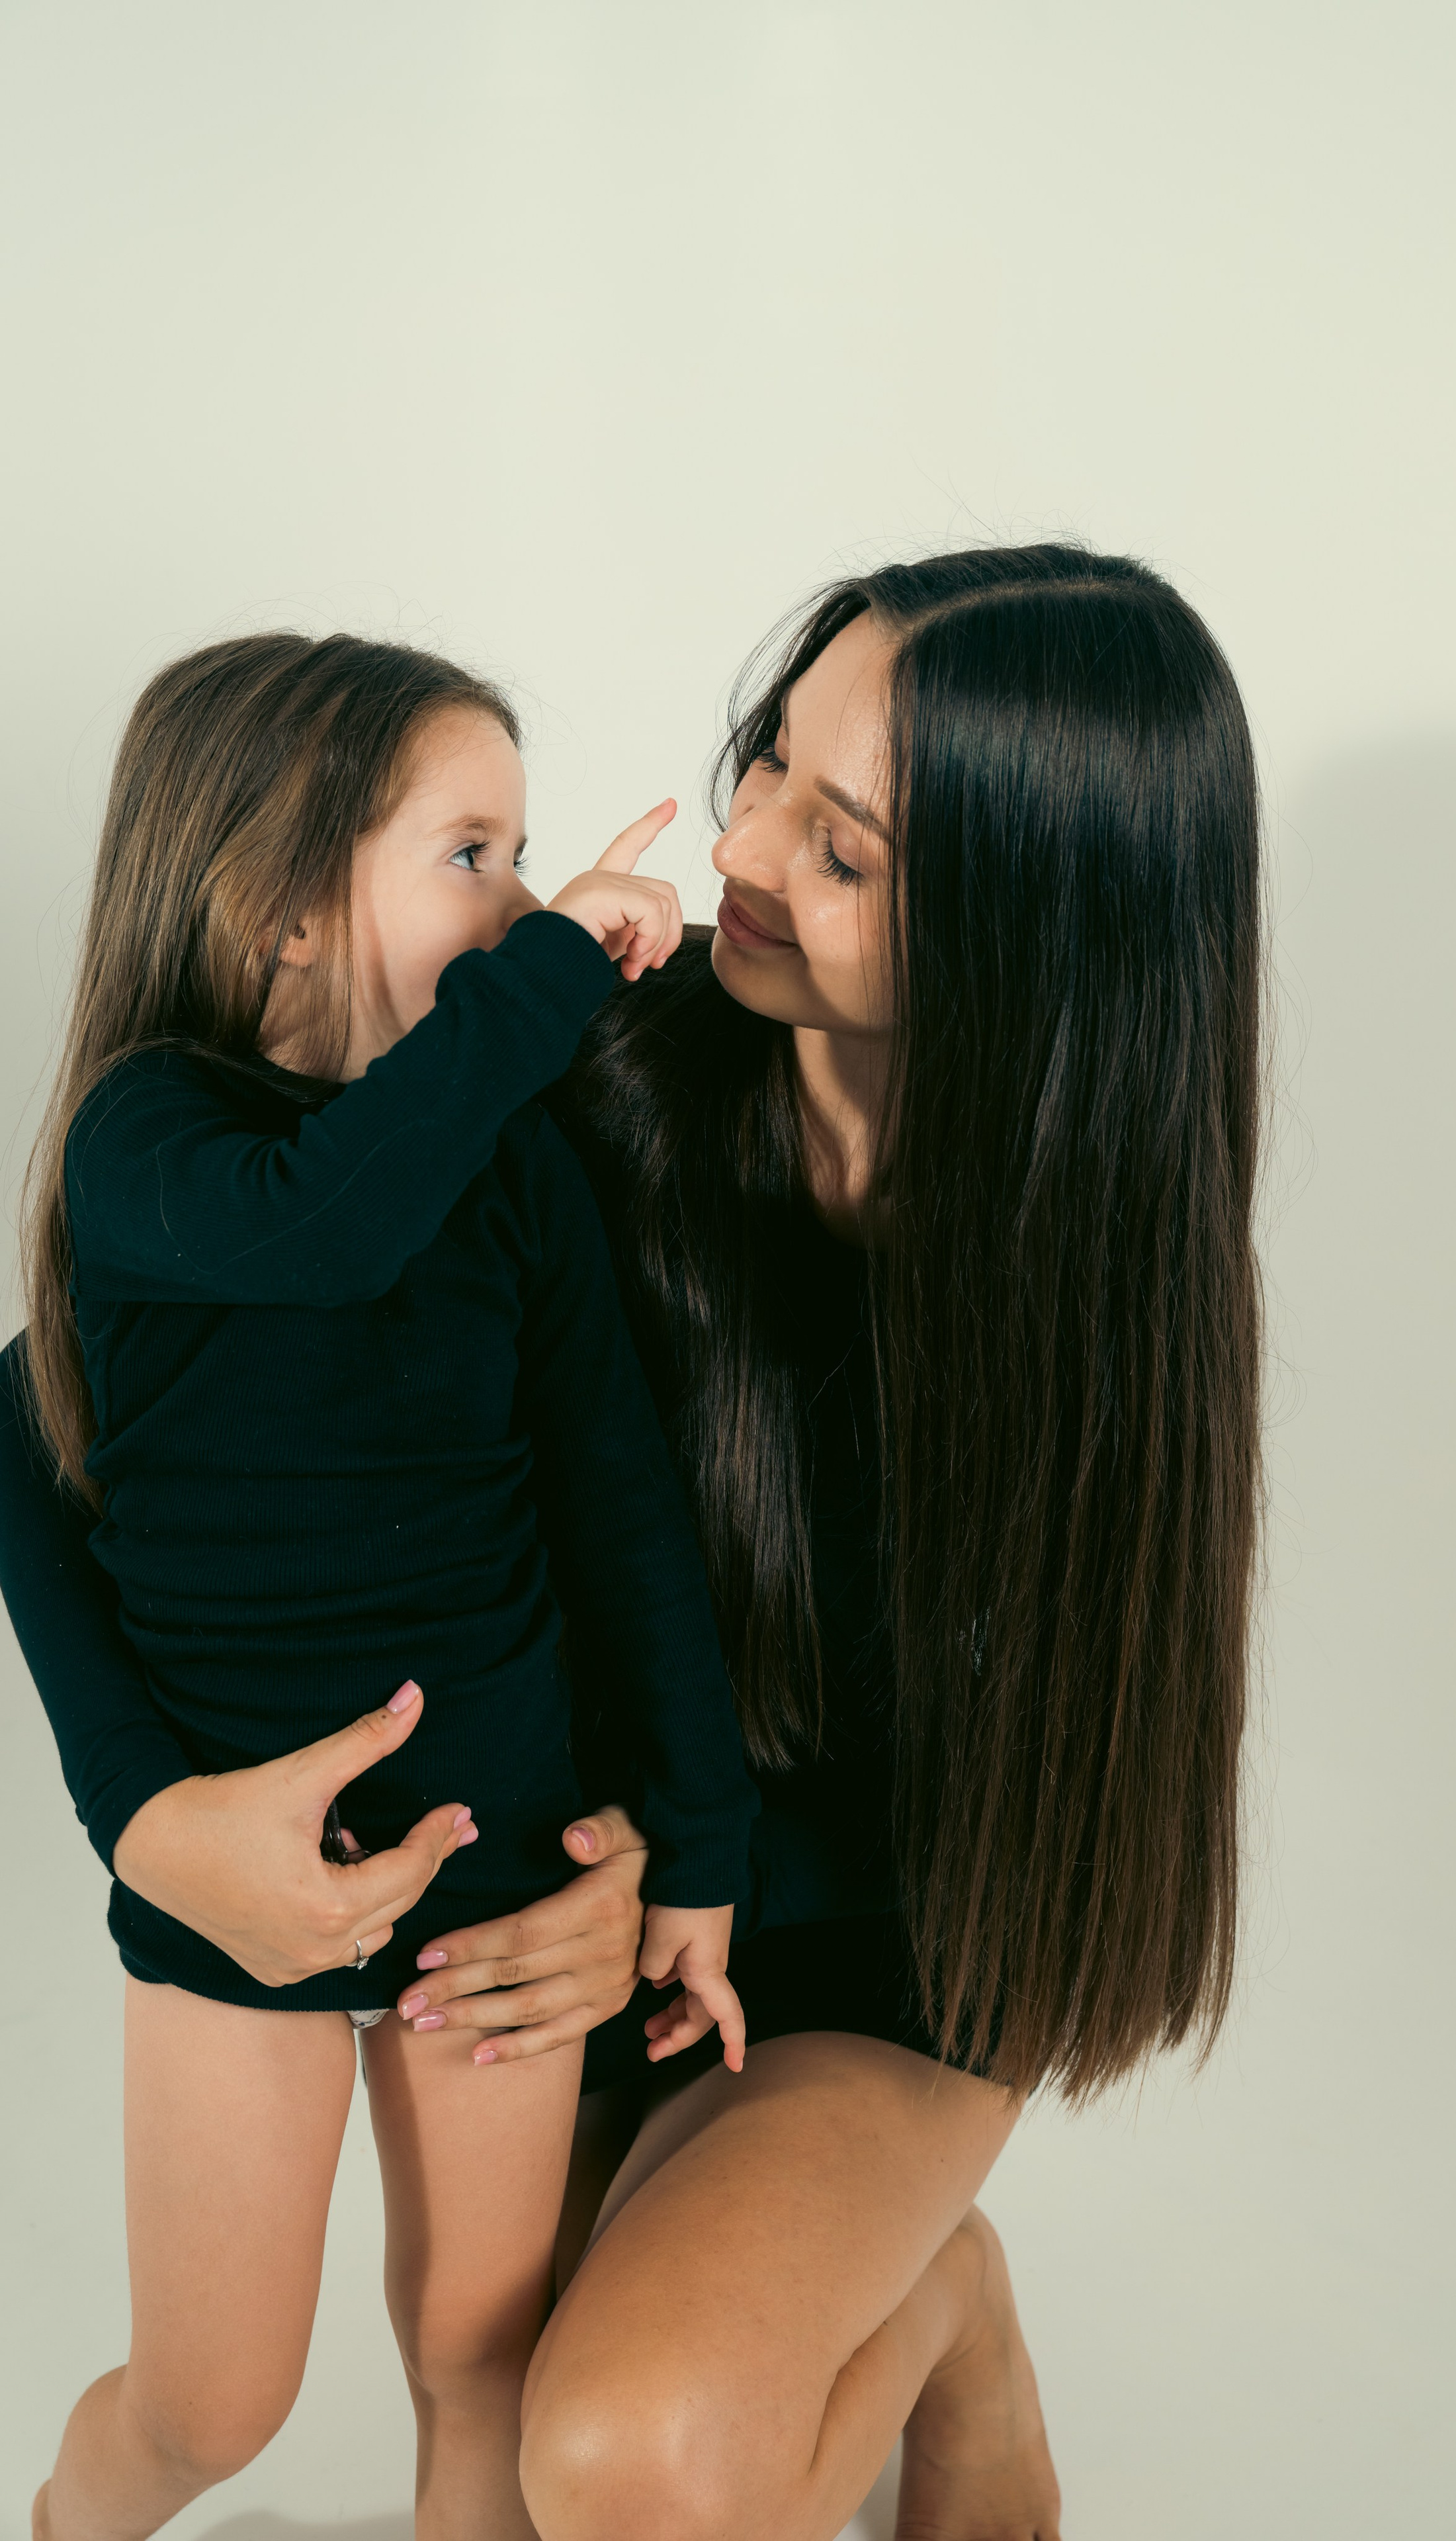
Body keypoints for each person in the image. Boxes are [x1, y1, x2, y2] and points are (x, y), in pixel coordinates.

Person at [1, 543, 1264, 2541]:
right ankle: (897, 2310)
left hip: (857, 1959)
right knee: (497, 2450)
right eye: (767, 761)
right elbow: (60, 1385)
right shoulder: (555, 1074)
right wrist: (146, 1812)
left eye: (840, 851)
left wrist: (672, 1875)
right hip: (537, 1904)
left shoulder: (1092, 1289)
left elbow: (1035, 1799)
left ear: (1032, 932)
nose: (741, 843)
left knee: (627, 2466)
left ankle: (935, 2313)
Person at [7, 633, 758, 2541]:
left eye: (523, 861)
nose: (525, 903)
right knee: (212, 2404)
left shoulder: (514, 1173)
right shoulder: (150, 1146)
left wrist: (700, 1848)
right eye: (474, 857)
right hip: (232, 1900)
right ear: (275, 913)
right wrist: (545, 980)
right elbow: (325, 1230)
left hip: (495, 1876)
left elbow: (622, 1516)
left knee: (479, 2364)